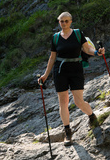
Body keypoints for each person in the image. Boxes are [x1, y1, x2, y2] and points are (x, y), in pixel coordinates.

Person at [38, 11, 105, 145]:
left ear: (71, 21)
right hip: (60, 71)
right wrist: (45, 75)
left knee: (78, 101)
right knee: (63, 102)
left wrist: (97, 52)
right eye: (61, 21)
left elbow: (87, 49)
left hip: (76, 69)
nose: (64, 23)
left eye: (66, 21)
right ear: (59, 22)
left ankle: (91, 116)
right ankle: (67, 132)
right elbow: (52, 58)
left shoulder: (78, 33)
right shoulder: (56, 37)